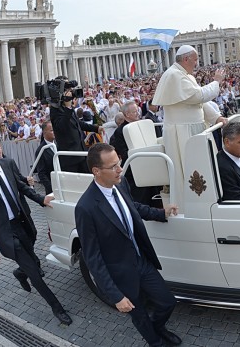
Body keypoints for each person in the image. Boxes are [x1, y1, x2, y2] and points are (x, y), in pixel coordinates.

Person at [75, 143, 181, 347]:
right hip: (120, 273)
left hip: (141, 261)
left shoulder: (121, 184)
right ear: (96, 171)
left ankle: (158, 328)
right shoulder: (85, 208)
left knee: (167, 302)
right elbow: (92, 258)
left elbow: (132, 207)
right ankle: (156, 342)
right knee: (139, 315)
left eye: (119, 162)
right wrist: (115, 295)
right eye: (113, 166)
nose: (120, 169)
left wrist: (160, 213)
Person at [0, 134, 72, 326]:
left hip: (23, 224)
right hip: (6, 233)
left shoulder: (8, 164)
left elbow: (22, 187)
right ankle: (57, 308)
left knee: (30, 259)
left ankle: (20, 273)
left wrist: (41, 199)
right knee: (34, 271)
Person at [152, 45, 224, 183]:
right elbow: (199, 96)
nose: (197, 63)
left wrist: (216, 117)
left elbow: (198, 103)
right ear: (186, 59)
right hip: (182, 132)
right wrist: (216, 81)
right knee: (189, 172)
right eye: (195, 60)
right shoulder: (174, 75)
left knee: (204, 168)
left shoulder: (185, 75)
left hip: (194, 130)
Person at [50, 87, 103, 173]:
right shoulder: (55, 110)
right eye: (68, 91)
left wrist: (96, 128)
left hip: (81, 152)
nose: (71, 93)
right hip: (70, 158)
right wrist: (68, 108)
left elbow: (78, 123)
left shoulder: (69, 108)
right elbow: (62, 127)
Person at [33, 122, 56, 194]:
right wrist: (51, 189)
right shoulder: (40, 150)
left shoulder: (59, 144)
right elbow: (41, 173)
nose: (54, 132)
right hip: (53, 189)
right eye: (52, 130)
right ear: (44, 133)